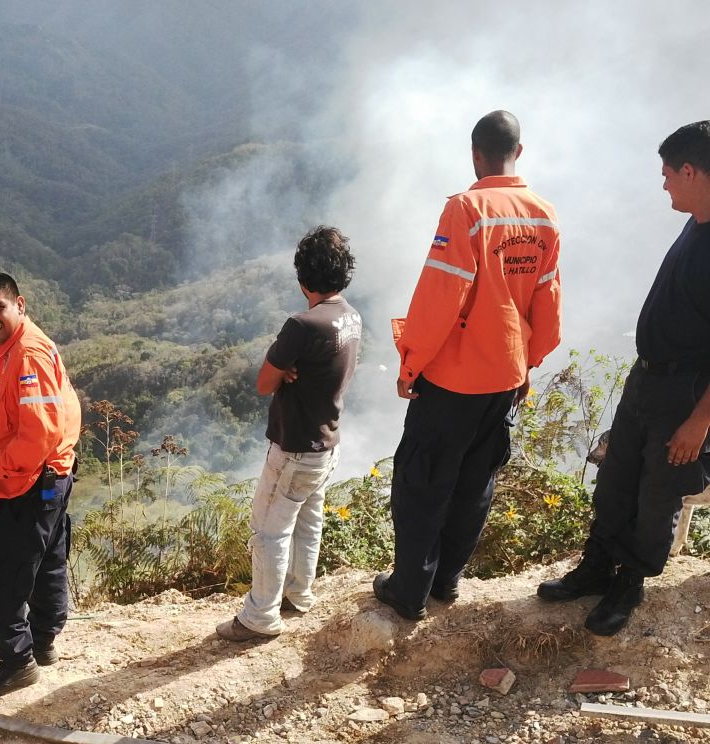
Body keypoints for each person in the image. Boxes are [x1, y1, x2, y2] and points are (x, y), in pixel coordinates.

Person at [373, 109, 562, 621]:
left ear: (475, 154)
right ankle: (447, 582)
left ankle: (409, 589)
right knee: (476, 481)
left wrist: (411, 363)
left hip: (454, 381)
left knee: (423, 480)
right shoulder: (543, 214)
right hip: (506, 376)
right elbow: (547, 305)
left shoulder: (467, 210)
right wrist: (528, 365)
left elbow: (442, 295)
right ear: (518, 153)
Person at [539, 121, 710, 635]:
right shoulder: (695, 222)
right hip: (647, 381)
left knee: (656, 494)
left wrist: (699, 423)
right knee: (615, 480)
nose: (663, 186)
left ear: (690, 170)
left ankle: (628, 583)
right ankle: (595, 568)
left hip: (684, 394)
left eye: (667, 175)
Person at [216, 227, 361, 642]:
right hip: (326, 442)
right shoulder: (350, 316)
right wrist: (292, 368)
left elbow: (264, 382)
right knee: (307, 521)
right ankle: (298, 595)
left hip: (296, 449)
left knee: (269, 529)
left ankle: (260, 616)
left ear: (302, 281)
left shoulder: (302, 324)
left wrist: (282, 368)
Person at [0, 273, 81, 697]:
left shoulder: (26, 355)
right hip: (54, 476)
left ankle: (17, 661)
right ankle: (43, 642)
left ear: (20, 304)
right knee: (47, 557)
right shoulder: (18, 349)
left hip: (29, 482)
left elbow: (36, 437)